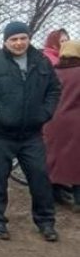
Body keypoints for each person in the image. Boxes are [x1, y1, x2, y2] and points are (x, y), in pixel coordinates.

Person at [0, 21, 62, 241]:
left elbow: (54, 90)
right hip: (0, 135)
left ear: (29, 38)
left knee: (40, 178)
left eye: (23, 38)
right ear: (5, 41)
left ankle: (46, 223)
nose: (19, 43)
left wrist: (45, 113)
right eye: (14, 39)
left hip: (32, 134)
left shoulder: (41, 62)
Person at [44, 40, 80, 212]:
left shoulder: (52, 72)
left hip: (52, 121)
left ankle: (52, 195)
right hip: (76, 123)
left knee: (53, 159)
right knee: (76, 161)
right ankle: (78, 200)